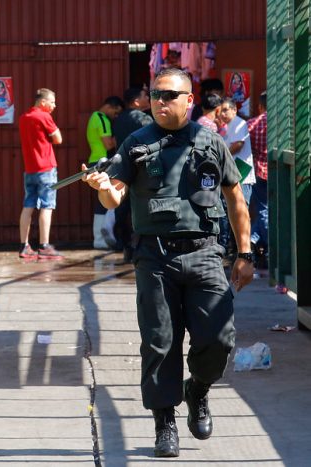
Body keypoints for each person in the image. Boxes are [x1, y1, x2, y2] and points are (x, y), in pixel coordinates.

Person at [81, 67, 254, 458]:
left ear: (189, 101)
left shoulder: (211, 142)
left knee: (218, 338)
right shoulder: (137, 142)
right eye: (157, 94)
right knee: (159, 343)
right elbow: (114, 197)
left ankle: (198, 390)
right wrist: (104, 188)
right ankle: (165, 422)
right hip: (154, 257)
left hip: (205, 253)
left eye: (170, 95)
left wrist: (244, 253)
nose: (161, 101)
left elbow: (236, 200)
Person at [18, 88, 63, 260]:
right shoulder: (44, 117)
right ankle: (44, 245)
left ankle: (24, 246)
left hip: (30, 169)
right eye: (52, 102)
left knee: (28, 205)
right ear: (43, 102)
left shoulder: (24, 118)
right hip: (46, 168)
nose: (54, 105)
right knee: (47, 205)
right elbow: (58, 139)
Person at [112, 87, 154, 261]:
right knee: (143, 207)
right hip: (140, 169)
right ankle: (141, 246)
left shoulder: (118, 119)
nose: (149, 99)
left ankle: (125, 245)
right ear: (136, 101)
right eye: (145, 96)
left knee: (121, 208)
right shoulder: (144, 119)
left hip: (121, 166)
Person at [219, 97, 255, 253]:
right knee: (231, 212)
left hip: (242, 176)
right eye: (220, 111)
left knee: (240, 212)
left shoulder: (238, 123)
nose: (222, 114)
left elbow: (238, 145)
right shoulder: (228, 126)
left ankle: (243, 252)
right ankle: (234, 250)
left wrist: (220, 155)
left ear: (234, 110)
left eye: (226, 110)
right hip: (233, 176)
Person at [86, 96, 124, 249]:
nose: (116, 116)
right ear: (109, 107)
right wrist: (120, 139)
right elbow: (108, 144)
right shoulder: (101, 118)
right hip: (101, 162)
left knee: (103, 200)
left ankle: (100, 238)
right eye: (116, 113)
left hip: (97, 161)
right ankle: (100, 239)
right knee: (104, 200)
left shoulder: (95, 117)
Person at [247, 91, 268, 267]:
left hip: (259, 172)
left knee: (262, 209)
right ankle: (263, 243)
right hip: (281, 171)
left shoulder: (251, 124)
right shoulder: (285, 126)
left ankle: (255, 240)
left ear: (260, 106)